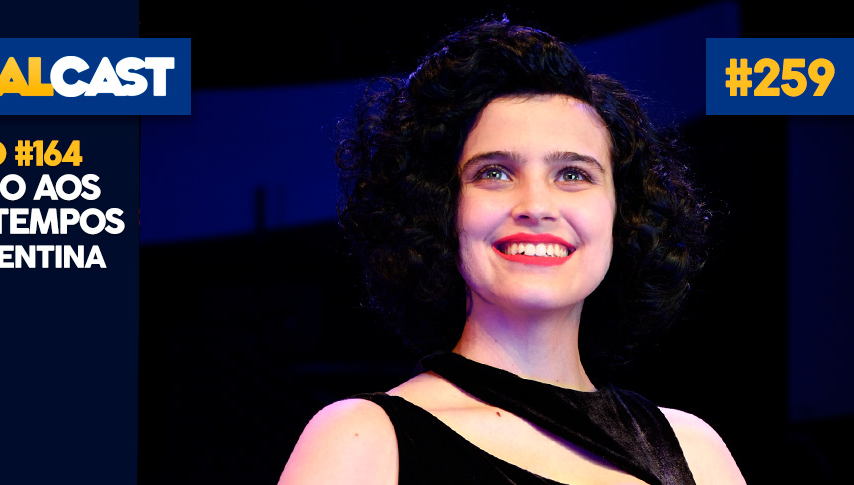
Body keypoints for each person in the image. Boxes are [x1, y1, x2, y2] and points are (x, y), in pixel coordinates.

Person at [279, 17, 745, 485]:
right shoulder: (362, 442)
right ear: (439, 208)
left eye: (573, 174)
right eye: (495, 173)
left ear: (622, 215)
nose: (537, 207)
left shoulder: (695, 454)